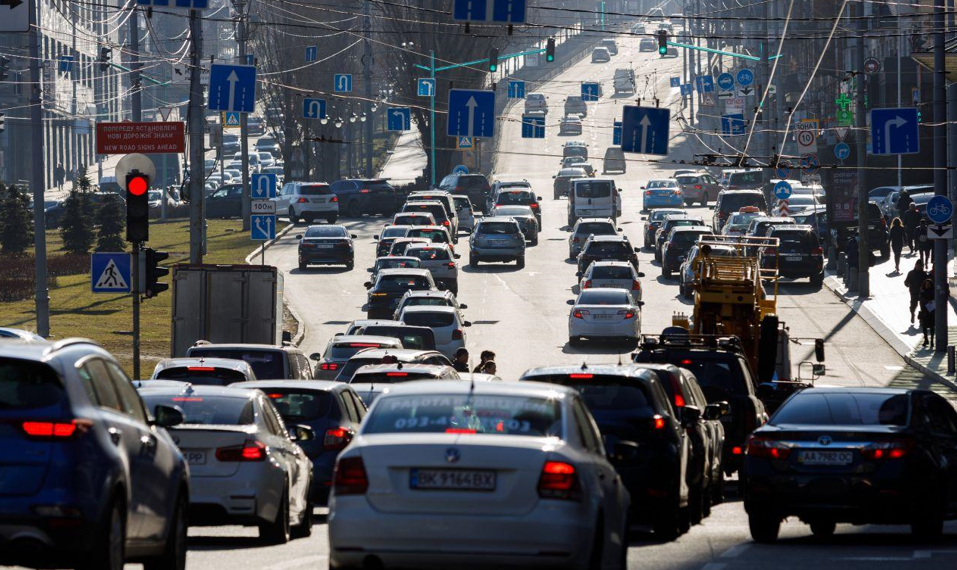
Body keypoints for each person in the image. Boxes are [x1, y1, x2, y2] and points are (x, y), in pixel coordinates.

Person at [904, 259, 927, 324]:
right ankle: (912, 314)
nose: (918, 267)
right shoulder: (911, 273)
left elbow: (927, 282)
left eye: (920, 266)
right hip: (913, 292)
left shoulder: (924, 274)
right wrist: (907, 284)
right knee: (913, 305)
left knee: (923, 306)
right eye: (917, 266)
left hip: (922, 292)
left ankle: (921, 319)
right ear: (915, 265)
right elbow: (906, 281)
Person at [919, 277, 935, 347]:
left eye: (929, 284)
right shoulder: (922, 292)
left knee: (932, 327)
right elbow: (921, 301)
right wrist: (927, 302)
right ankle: (926, 340)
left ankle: (932, 340)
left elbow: (936, 299)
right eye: (926, 284)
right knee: (924, 327)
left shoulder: (934, 292)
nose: (927, 285)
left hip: (932, 312)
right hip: (925, 311)